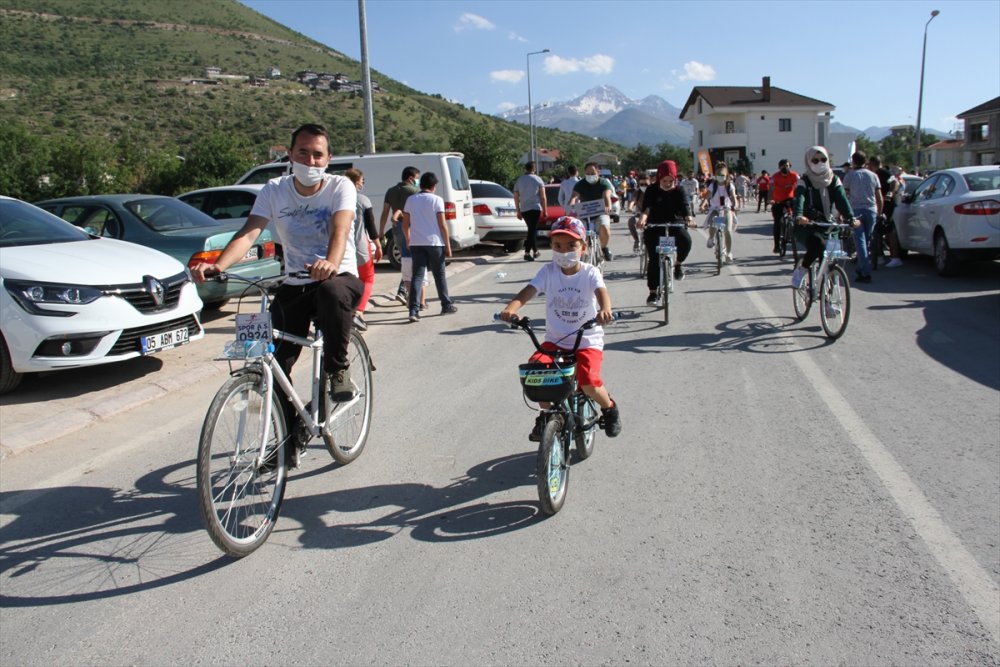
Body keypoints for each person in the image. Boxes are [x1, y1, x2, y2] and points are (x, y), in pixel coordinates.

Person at [191, 123, 363, 464]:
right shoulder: (274, 190)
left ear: (328, 159)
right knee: (275, 365)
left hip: (337, 278)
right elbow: (248, 232)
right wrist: (219, 265)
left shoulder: (341, 186)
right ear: (290, 154)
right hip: (295, 284)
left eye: (318, 155)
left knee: (329, 291)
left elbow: (341, 228)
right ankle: (289, 436)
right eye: (303, 152)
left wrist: (330, 262)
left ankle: (338, 368)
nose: (310, 161)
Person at [499, 216, 621, 440]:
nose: (564, 251)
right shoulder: (548, 271)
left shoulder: (590, 272)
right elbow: (529, 291)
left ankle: (610, 409)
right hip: (554, 341)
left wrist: (605, 309)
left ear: (583, 247)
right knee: (536, 375)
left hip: (586, 341)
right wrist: (511, 309)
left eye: (571, 245)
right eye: (557, 246)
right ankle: (547, 415)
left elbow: (601, 292)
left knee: (589, 384)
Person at [791, 146, 858, 301]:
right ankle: (801, 270)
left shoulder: (834, 179)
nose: (820, 163)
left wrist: (851, 218)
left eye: (823, 159)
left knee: (830, 259)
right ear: (808, 161)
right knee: (818, 245)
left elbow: (842, 200)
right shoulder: (804, 181)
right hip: (807, 224)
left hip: (827, 223)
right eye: (815, 160)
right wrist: (799, 215)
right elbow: (799, 198)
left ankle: (827, 299)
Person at [402, 172, 457, 322]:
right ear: (434, 186)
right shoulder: (437, 200)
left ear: (421, 185)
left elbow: (405, 223)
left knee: (417, 276)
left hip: (416, 242)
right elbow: (442, 224)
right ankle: (446, 304)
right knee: (439, 275)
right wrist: (448, 244)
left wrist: (408, 238)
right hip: (434, 243)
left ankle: (413, 310)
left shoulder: (411, 200)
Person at [637, 159, 694, 303]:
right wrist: (643, 218)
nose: (668, 184)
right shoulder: (651, 190)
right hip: (655, 225)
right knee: (654, 259)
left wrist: (689, 218)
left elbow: (685, 206)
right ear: (659, 178)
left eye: (671, 181)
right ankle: (653, 292)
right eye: (664, 181)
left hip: (675, 223)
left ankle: (678, 265)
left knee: (686, 241)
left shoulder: (679, 189)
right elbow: (647, 208)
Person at [345, 168, 381, 329]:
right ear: (356, 181)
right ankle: (359, 312)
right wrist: (379, 246)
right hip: (360, 246)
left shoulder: (335, 198)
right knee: (367, 278)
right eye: (362, 180)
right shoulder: (362, 200)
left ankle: (347, 311)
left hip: (340, 247)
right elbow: (371, 228)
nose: (363, 183)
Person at [379, 166, 420, 303]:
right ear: (410, 178)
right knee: (412, 261)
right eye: (417, 178)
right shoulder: (414, 191)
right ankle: (404, 291)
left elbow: (385, 212)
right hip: (411, 228)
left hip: (396, 228)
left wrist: (381, 231)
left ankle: (404, 291)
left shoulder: (390, 191)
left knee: (405, 259)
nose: (418, 181)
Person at [842, 151, 883, 283]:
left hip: (856, 211)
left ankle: (865, 272)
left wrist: (842, 213)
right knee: (867, 241)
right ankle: (862, 268)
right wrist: (880, 212)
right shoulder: (873, 175)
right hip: (871, 210)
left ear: (853, 161)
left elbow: (845, 196)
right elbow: (879, 196)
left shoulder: (850, 176)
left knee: (860, 242)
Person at [569, 162, 615, 262]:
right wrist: (572, 203)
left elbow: (607, 196)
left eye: (592, 173)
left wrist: (608, 206)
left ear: (598, 172)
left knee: (605, 228)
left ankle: (604, 247)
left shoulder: (604, 182)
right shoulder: (580, 184)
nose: (590, 175)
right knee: (579, 233)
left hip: (600, 212)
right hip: (585, 213)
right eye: (588, 173)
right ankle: (582, 255)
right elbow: (575, 196)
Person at [869, 155, 904, 268]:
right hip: (880, 205)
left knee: (889, 231)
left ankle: (895, 257)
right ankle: (879, 257)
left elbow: (895, 182)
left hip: (887, 206)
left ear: (872, 164)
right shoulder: (875, 174)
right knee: (877, 231)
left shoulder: (882, 172)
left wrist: (890, 193)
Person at [513, 161, 548, 262]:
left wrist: (518, 210)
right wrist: (545, 210)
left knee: (531, 229)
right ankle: (527, 252)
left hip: (524, 208)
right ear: (534, 169)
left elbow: (516, 196)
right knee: (532, 230)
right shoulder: (538, 179)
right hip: (535, 208)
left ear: (526, 168)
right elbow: (543, 197)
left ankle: (536, 251)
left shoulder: (519, 180)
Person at [704, 162, 738, 263]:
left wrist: (735, 205)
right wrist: (703, 204)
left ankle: (729, 253)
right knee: (713, 225)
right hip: (715, 209)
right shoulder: (713, 185)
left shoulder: (729, 185)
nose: (720, 177)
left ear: (726, 175)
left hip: (726, 208)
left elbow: (733, 196)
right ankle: (711, 238)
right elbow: (707, 196)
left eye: (722, 175)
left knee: (727, 230)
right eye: (718, 175)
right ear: (715, 175)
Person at [768, 159, 799, 253]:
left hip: (790, 199)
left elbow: (800, 186)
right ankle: (777, 245)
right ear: (779, 167)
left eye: (787, 165)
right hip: (777, 201)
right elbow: (771, 189)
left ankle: (796, 234)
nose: (785, 167)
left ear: (790, 166)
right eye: (782, 166)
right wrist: (770, 199)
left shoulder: (794, 175)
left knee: (798, 216)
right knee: (777, 222)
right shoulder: (775, 177)